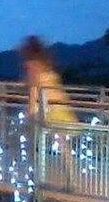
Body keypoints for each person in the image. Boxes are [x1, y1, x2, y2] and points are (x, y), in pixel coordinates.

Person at [20, 36, 77, 187]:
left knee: (32, 143)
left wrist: (30, 111)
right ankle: (71, 180)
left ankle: (36, 176)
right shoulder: (47, 64)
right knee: (63, 146)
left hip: (45, 109)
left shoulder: (32, 65)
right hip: (59, 105)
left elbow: (33, 89)